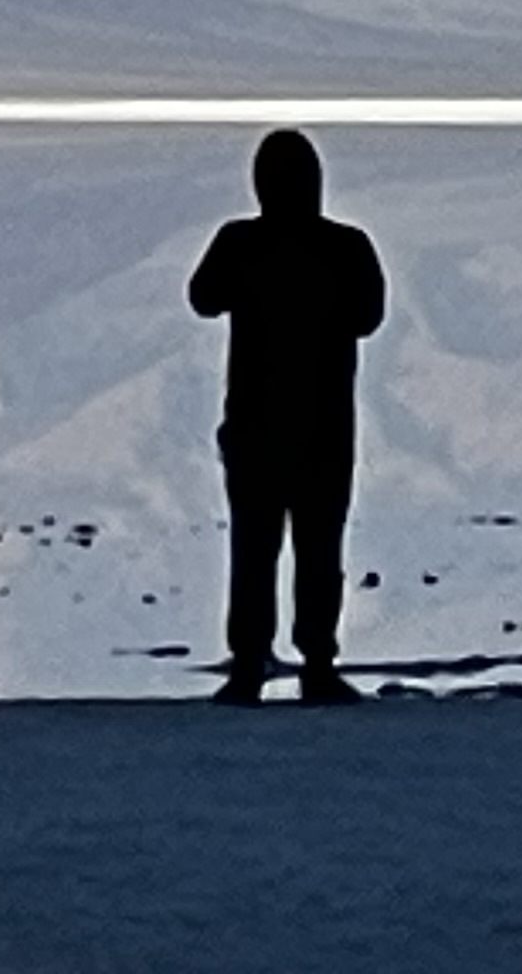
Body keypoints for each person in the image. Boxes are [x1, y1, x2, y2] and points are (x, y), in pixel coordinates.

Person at [187, 129, 389, 705]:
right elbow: (367, 315)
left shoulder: (244, 243)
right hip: (318, 428)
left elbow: (203, 297)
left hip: (261, 427)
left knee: (259, 549)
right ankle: (311, 663)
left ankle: (256, 663)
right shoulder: (344, 247)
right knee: (315, 549)